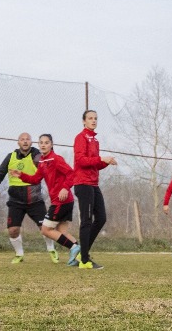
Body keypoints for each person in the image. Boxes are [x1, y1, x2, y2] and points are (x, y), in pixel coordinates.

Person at [11, 134, 82, 266]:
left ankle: (74, 248)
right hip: (61, 201)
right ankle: (81, 257)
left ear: (51, 144)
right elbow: (35, 179)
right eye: (41, 143)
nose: (43, 145)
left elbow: (71, 174)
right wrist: (21, 175)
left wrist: (65, 188)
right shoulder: (43, 162)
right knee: (62, 232)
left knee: (46, 230)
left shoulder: (56, 159)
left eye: (46, 142)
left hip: (62, 201)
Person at [0, 133, 57, 264]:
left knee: (45, 229)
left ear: (32, 142)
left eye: (28, 139)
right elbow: (0, 172)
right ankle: (19, 254)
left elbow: (48, 161)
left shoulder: (36, 155)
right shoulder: (11, 157)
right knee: (13, 230)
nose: (25, 141)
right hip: (16, 201)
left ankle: (51, 249)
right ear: (18, 142)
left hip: (35, 200)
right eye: (22, 139)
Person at [73, 110, 117, 270]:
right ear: (84, 121)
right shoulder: (81, 138)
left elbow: (94, 164)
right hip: (82, 183)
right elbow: (81, 160)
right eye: (90, 118)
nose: (93, 121)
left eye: (95, 118)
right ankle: (84, 260)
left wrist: (106, 162)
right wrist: (100, 158)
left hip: (93, 184)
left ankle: (82, 253)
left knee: (101, 218)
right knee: (86, 221)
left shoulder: (95, 140)